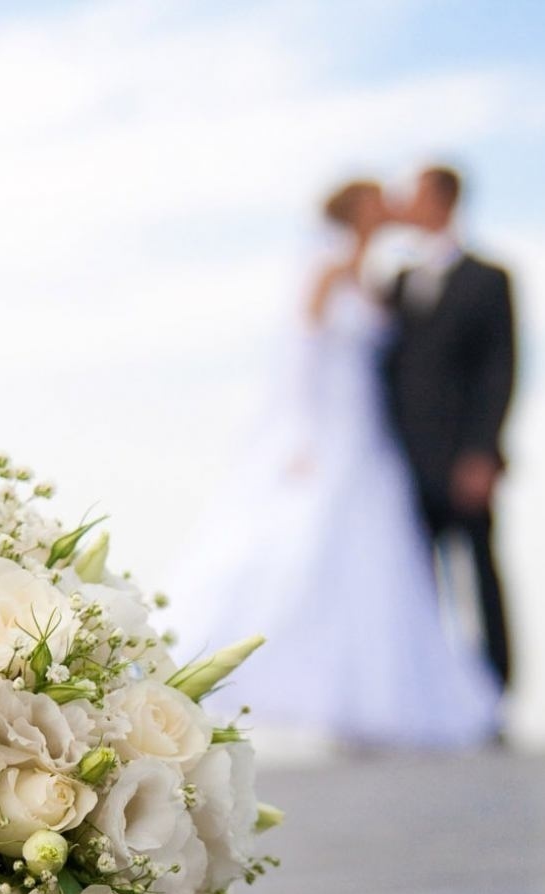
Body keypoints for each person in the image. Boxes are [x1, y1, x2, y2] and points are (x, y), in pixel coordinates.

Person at [168, 179, 500, 749]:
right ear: (353, 213)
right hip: (328, 431)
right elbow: (298, 354)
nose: (391, 208)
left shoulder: (378, 278)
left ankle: (370, 703)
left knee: (377, 568)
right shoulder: (324, 269)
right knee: (305, 554)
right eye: (378, 202)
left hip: (372, 437)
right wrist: (301, 434)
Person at [382, 165, 517, 690]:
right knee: (413, 587)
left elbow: (501, 370)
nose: (403, 205)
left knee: (480, 576)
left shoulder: (490, 279)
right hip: (401, 463)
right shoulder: (394, 284)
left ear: (443, 201)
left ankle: (494, 694)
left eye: (412, 195)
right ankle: (428, 697)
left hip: (465, 461)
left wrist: (483, 452)